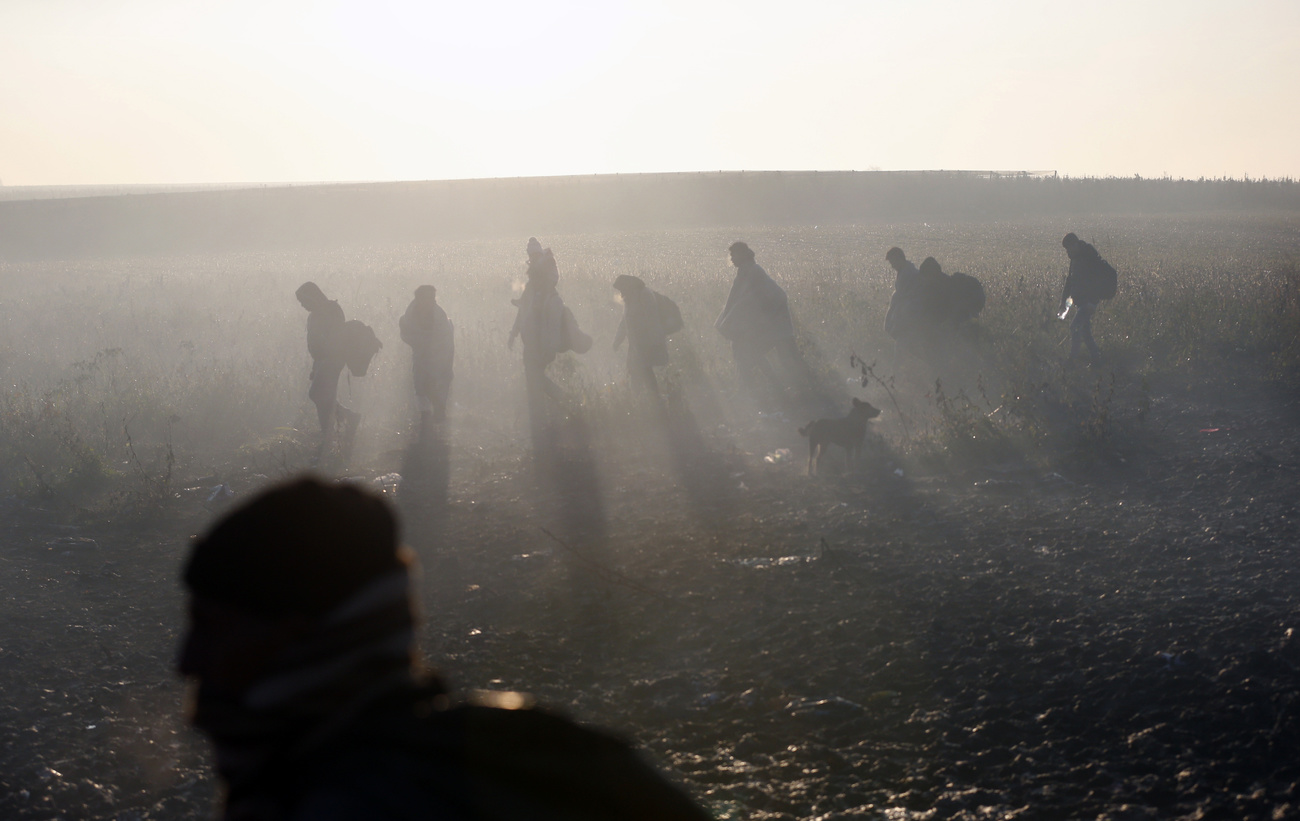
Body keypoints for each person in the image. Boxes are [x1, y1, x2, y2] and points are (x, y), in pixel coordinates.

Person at [178, 477, 710, 821]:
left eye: (212, 628)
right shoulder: (542, 754)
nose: (187, 661)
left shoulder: (350, 801)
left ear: (298, 640)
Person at [508, 238, 589, 421]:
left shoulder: (552, 301)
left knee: (534, 377)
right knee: (533, 378)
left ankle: (563, 404)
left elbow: (552, 330)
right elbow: (522, 313)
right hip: (531, 343)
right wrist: (513, 333)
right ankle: (545, 412)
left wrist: (549, 349)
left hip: (540, 346)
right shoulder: (533, 292)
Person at [714, 241, 803, 404]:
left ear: (742, 255)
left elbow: (747, 301)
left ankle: (767, 392)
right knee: (749, 353)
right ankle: (768, 390)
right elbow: (737, 301)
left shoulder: (751, 272)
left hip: (773, 320)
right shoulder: (746, 271)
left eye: (734, 255)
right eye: (731, 255)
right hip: (768, 320)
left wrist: (730, 323)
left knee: (750, 353)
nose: (732, 259)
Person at [295, 282, 360, 462]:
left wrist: (324, 362)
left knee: (317, 394)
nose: (303, 305)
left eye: (303, 301)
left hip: (333, 359)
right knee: (324, 397)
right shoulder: (314, 315)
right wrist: (315, 367)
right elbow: (315, 344)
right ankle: (345, 422)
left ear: (312, 296)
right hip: (322, 361)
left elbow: (335, 339)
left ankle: (330, 437)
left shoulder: (332, 309)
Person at [612, 275, 683, 398]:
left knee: (644, 371)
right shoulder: (630, 298)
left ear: (628, 286)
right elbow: (624, 321)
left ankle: (651, 400)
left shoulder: (644, 295)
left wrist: (655, 343)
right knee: (636, 370)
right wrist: (617, 341)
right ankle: (640, 399)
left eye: (622, 289)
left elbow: (653, 320)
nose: (621, 293)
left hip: (646, 344)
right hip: (635, 344)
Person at [399, 285, 454, 427]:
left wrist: (436, 354)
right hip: (420, 351)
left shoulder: (440, 317)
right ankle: (425, 416)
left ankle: (439, 410)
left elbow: (445, 342)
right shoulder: (410, 314)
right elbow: (405, 332)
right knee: (419, 382)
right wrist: (417, 343)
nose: (431, 301)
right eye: (427, 298)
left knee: (440, 379)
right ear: (418, 299)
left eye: (432, 298)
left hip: (441, 350)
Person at [1058, 232, 1116, 366]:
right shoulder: (1075, 259)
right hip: (1082, 302)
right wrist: (1063, 303)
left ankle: (1072, 360)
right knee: (1085, 332)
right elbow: (1070, 282)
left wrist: (1092, 297)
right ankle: (1097, 359)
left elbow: (1095, 279)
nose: (1068, 251)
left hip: (1089, 302)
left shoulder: (1089, 257)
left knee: (1074, 327)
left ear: (1075, 244)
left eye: (1069, 247)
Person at [882, 247, 922, 344]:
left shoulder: (909, 274)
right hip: (904, 317)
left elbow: (905, 298)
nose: (892, 266)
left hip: (908, 318)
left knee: (903, 345)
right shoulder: (905, 271)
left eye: (893, 263)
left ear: (898, 259)